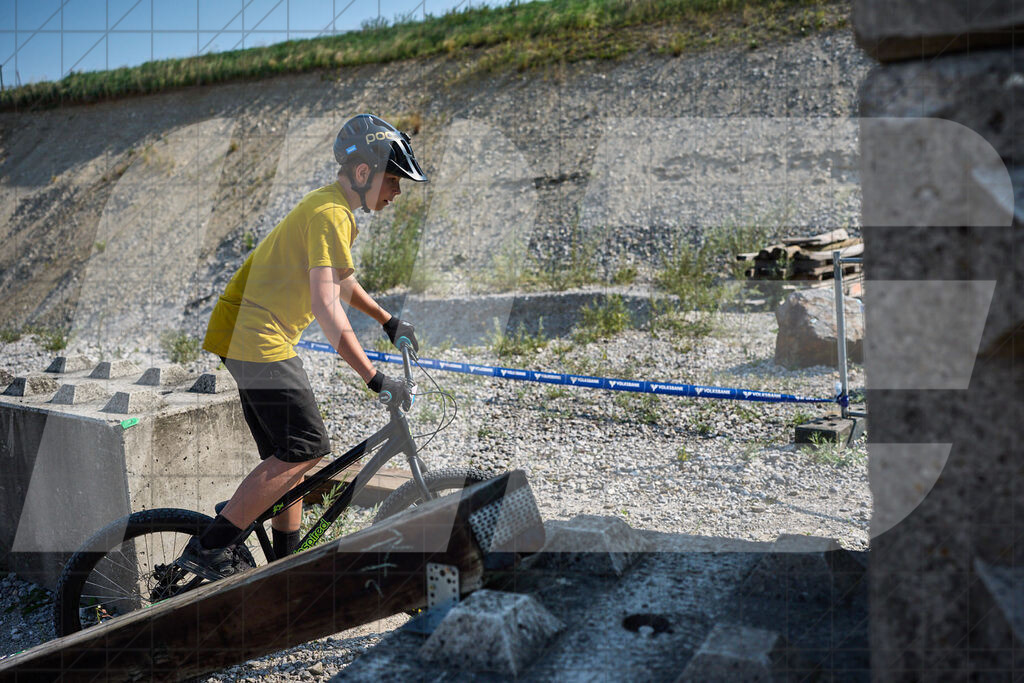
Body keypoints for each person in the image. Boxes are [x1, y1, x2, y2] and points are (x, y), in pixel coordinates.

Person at [177, 114, 428, 580]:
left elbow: (343, 280)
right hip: (256, 333)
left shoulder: (332, 210)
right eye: (393, 180)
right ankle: (212, 546)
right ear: (363, 173)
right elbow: (327, 306)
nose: (396, 193)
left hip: (246, 331)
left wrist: (387, 320)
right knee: (307, 446)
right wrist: (375, 378)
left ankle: (285, 564)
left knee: (289, 456)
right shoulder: (331, 212)